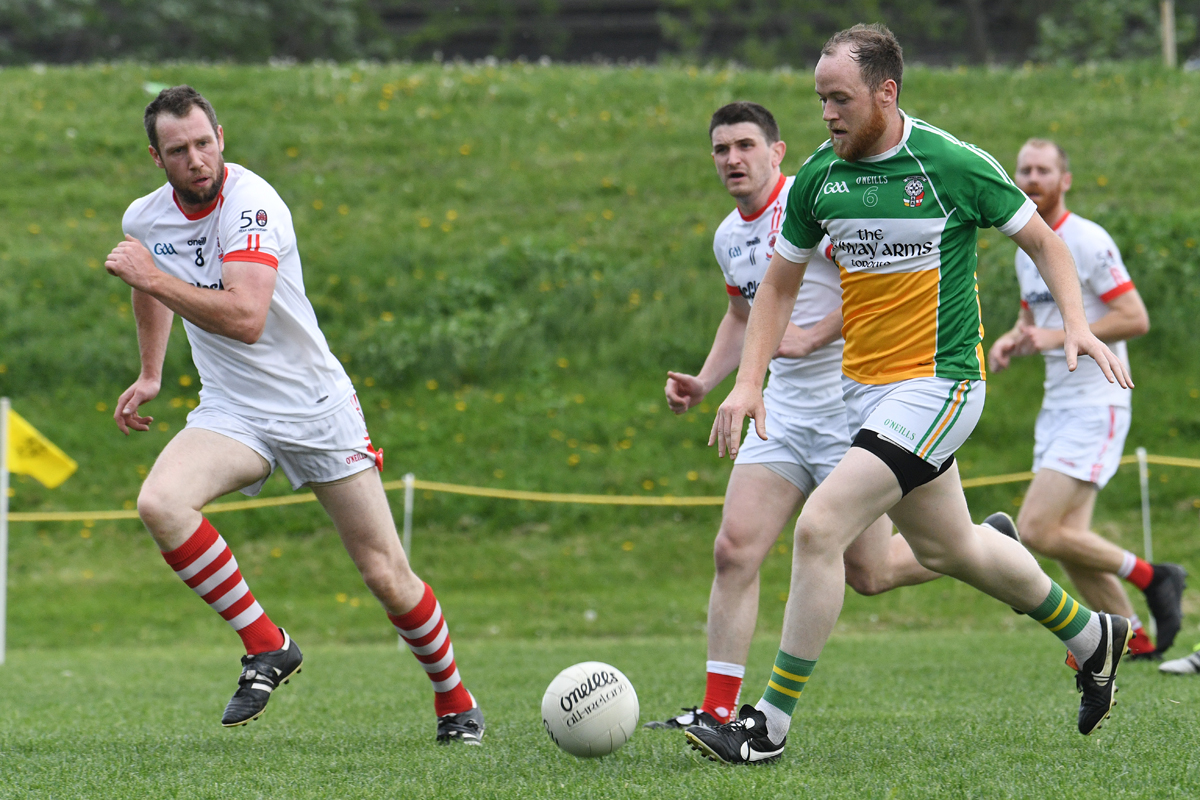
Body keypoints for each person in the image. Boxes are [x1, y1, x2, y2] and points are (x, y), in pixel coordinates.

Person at [686, 24, 1135, 766]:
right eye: (820, 99)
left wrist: (1079, 326)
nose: (826, 114)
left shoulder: (951, 163)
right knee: (951, 548)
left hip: (941, 385)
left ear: (885, 93)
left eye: (841, 99)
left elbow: (1045, 243)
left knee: (819, 527)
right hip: (866, 394)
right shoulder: (824, 178)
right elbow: (775, 289)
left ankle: (766, 726)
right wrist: (745, 382)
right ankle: (1094, 635)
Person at [104, 86, 484, 743]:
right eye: (178, 150)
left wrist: (153, 278)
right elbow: (150, 279)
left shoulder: (253, 204)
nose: (195, 158)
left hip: (313, 408)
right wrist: (150, 371)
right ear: (156, 158)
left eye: (203, 142)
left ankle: (455, 701)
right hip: (233, 411)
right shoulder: (147, 218)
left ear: (221, 135)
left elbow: (247, 318)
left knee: (386, 576)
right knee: (161, 504)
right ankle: (267, 644)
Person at [645, 102, 941, 731]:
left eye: (746, 145)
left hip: (850, 410)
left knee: (870, 572)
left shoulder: (813, 207)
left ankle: (983, 544)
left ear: (777, 152)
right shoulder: (729, 235)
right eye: (721, 149)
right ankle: (719, 710)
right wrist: (705, 381)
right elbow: (742, 315)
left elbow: (874, 281)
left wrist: (813, 336)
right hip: (779, 411)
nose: (733, 159)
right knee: (734, 550)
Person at [989, 138, 1185, 662]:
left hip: (1098, 402)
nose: (1032, 178)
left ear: (1065, 179)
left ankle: (1155, 576)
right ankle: (1134, 636)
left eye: (1043, 170)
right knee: (1067, 538)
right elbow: (1035, 319)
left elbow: (1135, 317)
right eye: (1024, 169)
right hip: (1057, 406)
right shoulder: (1026, 246)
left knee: (1035, 530)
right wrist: (1014, 338)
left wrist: (1057, 338)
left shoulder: (1088, 240)